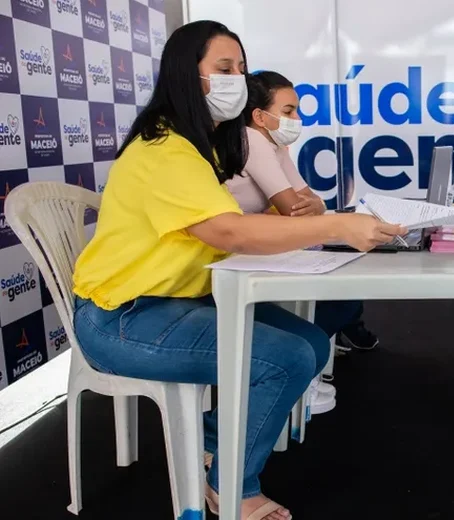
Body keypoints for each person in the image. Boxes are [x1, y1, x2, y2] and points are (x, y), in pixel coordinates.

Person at [71, 21, 403, 520]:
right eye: (223, 69)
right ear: (186, 75)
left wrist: (312, 223)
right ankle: (232, 487)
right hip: (123, 318)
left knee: (311, 344)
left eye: (241, 70)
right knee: (284, 359)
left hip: (177, 303)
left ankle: (209, 440)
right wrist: (334, 224)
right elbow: (227, 232)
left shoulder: (195, 146)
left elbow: (232, 225)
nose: (237, 80)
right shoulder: (164, 149)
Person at [226, 71, 379, 354]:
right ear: (259, 117)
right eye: (288, 111)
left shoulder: (275, 143)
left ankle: (308, 360)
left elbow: (309, 200)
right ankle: (295, 358)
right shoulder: (251, 138)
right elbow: (293, 208)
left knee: (344, 290)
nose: (297, 119)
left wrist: (317, 205)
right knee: (343, 297)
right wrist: (310, 207)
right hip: (238, 251)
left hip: (260, 242)